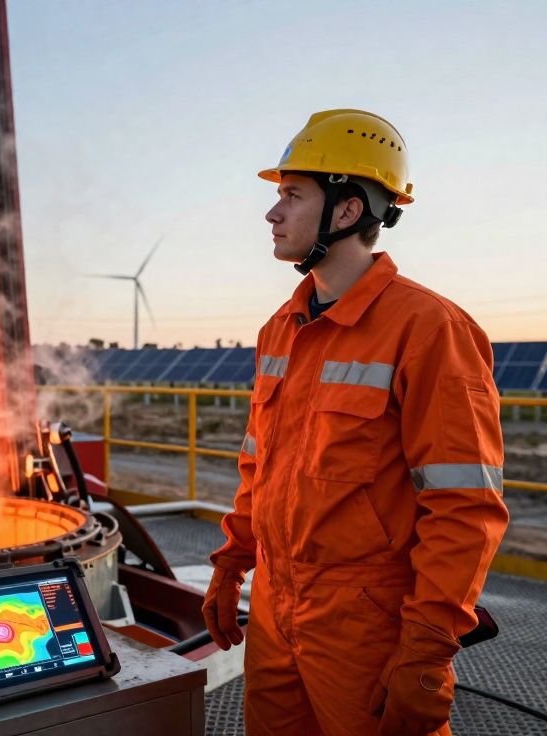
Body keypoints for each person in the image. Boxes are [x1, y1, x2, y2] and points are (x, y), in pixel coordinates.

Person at [202, 109, 509, 736]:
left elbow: (464, 506)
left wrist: (428, 644)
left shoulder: (428, 328)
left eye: (292, 195)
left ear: (346, 210)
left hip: (366, 621)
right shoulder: (281, 329)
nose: (272, 213)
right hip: (275, 607)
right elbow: (260, 466)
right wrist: (232, 564)